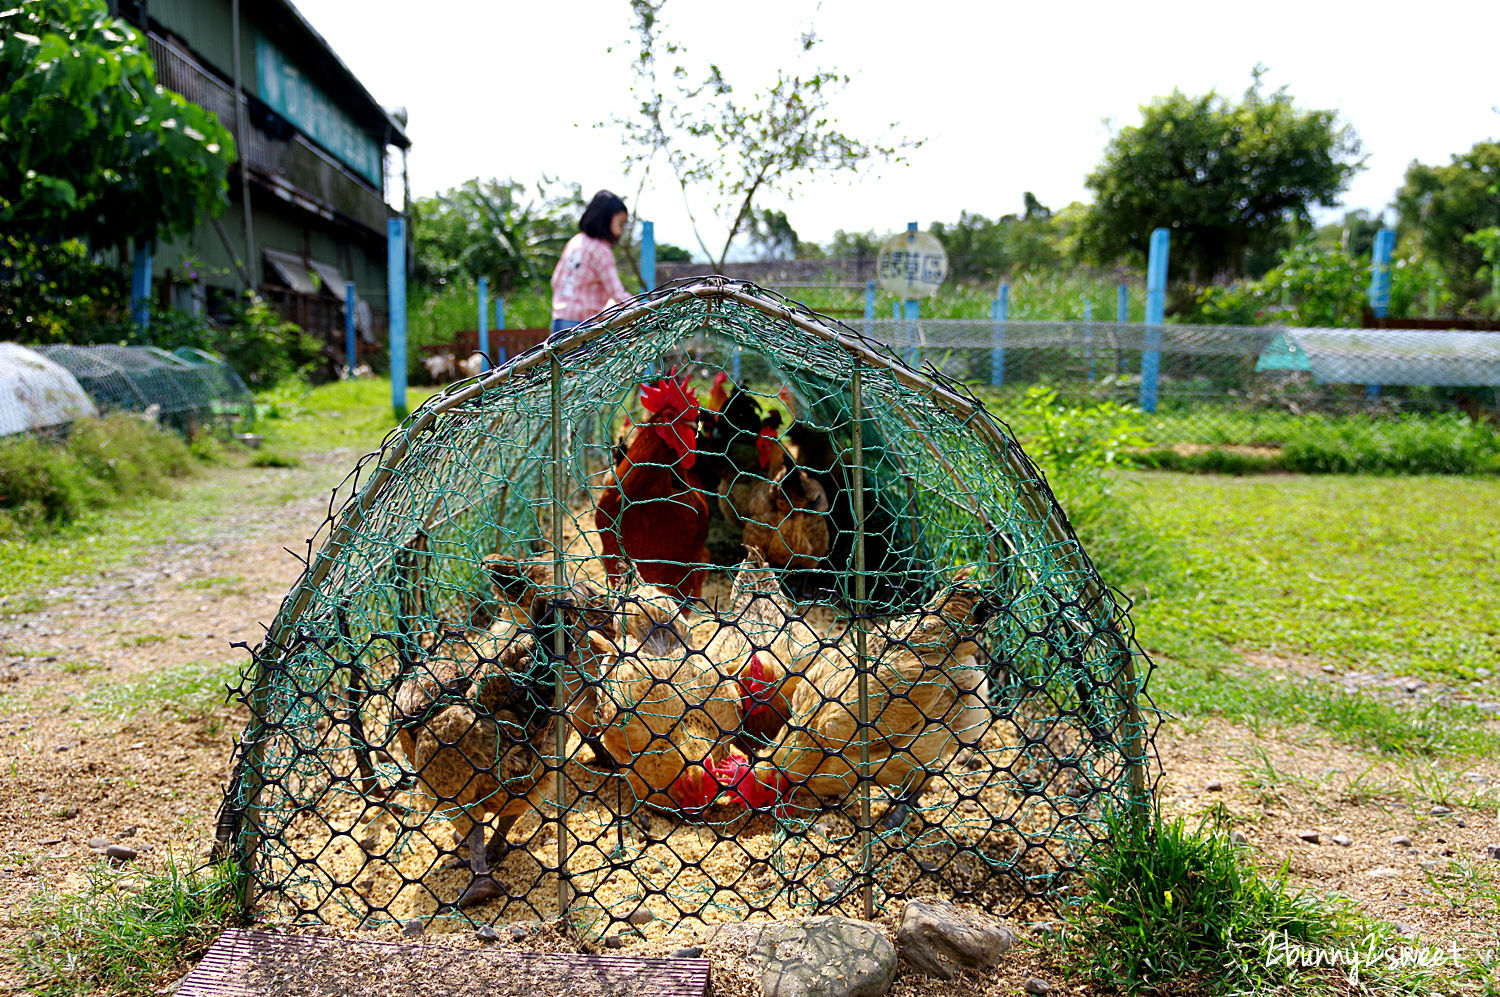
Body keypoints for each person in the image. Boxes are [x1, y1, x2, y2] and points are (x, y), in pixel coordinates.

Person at [551, 190, 630, 335]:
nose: (620, 232)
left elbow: (555, 281)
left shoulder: (575, 242)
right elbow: (617, 294)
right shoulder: (601, 250)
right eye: (620, 224)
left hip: (558, 323)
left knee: (563, 359)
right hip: (582, 326)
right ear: (606, 219)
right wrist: (645, 310)